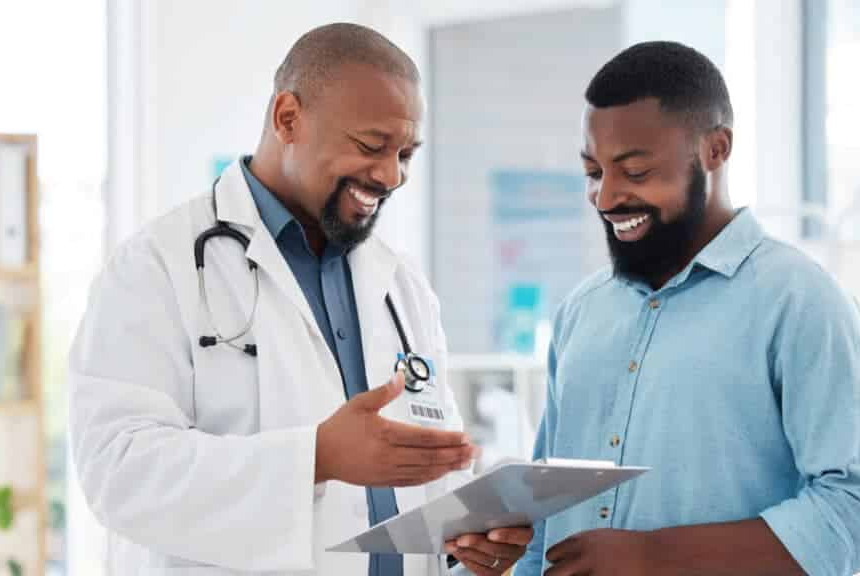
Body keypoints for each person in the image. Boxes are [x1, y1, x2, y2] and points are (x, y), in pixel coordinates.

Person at [70, 23, 530, 575]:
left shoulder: (402, 285)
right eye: (370, 146)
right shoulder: (155, 267)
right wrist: (316, 457)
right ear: (288, 118)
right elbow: (118, 472)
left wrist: (469, 537)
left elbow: (431, 466)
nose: (390, 175)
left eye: (406, 153)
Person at [514, 41, 860, 576]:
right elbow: (545, 514)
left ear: (715, 149)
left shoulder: (800, 300)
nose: (605, 199)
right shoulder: (582, 311)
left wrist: (656, 557)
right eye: (593, 173)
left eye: (635, 171)